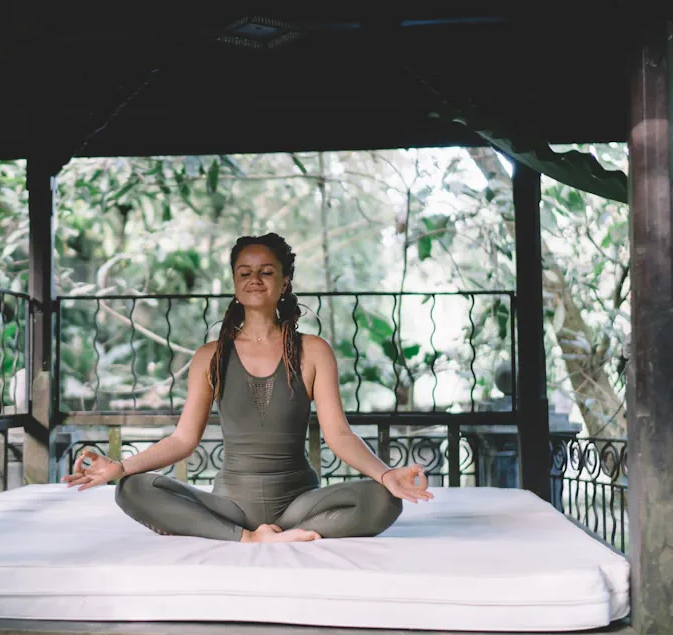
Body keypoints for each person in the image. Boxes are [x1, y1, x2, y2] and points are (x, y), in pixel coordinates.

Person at [64, 233, 434, 543]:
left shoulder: (314, 351)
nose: (255, 279)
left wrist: (386, 475)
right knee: (130, 489)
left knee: (385, 500)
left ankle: (281, 532)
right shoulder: (209, 357)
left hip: (299, 505)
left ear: (284, 282)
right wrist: (121, 467)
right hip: (230, 506)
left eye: (266, 271)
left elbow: (338, 435)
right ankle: (248, 537)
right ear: (235, 283)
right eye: (245, 272)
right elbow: (182, 440)